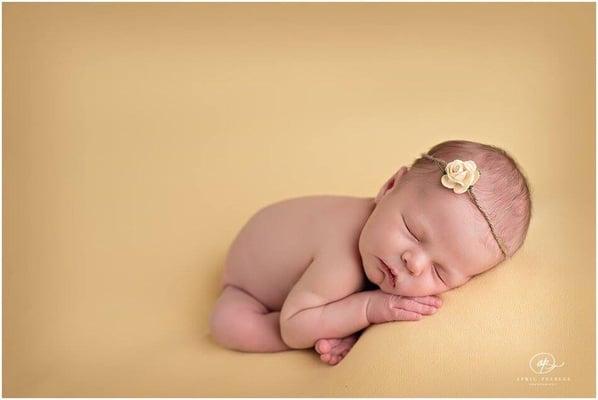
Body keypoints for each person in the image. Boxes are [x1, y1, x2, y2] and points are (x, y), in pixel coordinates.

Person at [209, 139, 533, 365]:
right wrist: (366, 310)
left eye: (440, 272)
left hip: (303, 283)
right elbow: (293, 328)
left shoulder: (379, 242)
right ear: (390, 187)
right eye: (412, 231)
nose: (415, 263)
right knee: (228, 324)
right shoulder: (342, 262)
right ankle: (321, 320)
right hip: (249, 280)